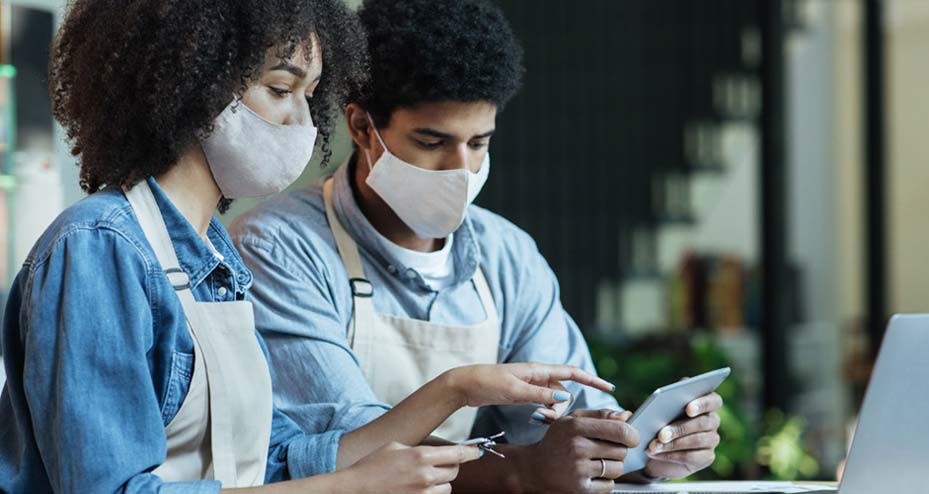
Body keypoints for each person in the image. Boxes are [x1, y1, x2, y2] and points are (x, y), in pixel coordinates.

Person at [0, 1, 613, 492]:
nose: (304, 124)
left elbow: (276, 457)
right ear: (191, 85)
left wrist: (457, 389)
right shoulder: (98, 249)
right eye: (280, 89)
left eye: (309, 94)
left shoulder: (215, 258)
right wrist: (349, 488)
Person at [230, 0, 724, 492]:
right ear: (362, 128)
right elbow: (347, 448)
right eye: (431, 141)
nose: (460, 169)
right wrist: (522, 469)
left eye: (478, 143)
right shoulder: (277, 248)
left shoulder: (506, 254)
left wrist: (641, 448)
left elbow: (570, 418)